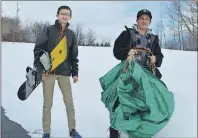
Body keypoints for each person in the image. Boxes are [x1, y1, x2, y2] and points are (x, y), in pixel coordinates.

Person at [110, 9, 164, 138]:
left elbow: (159, 56)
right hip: (129, 72)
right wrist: (127, 52)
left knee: (154, 98)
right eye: (142, 18)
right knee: (120, 99)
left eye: (147, 19)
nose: (144, 21)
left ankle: (141, 128)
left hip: (147, 74)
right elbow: (116, 51)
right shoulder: (127, 34)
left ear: (150, 21)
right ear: (137, 20)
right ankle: (114, 128)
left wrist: (155, 58)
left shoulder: (153, 39)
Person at [33, 6, 81, 138]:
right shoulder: (48, 30)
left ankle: (72, 130)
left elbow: (74, 55)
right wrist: (40, 69)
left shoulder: (71, 35)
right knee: (47, 104)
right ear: (57, 15)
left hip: (64, 73)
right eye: (62, 14)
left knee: (69, 103)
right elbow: (38, 50)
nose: (64, 16)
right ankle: (46, 131)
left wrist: (75, 72)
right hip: (48, 73)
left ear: (70, 17)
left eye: (67, 14)